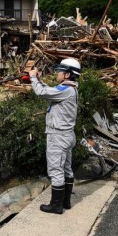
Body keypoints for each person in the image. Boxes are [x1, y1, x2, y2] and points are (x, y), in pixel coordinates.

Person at [29, 58, 81, 214]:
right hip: (67, 135)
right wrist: (39, 80)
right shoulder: (68, 88)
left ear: (67, 74)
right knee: (66, 169)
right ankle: (65, 202)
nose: (57, 73)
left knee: (56, 170)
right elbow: (50, 92)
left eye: (60, 71)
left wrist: (33, 78)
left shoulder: (66, 90)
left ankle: (56, 205)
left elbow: (41, 92)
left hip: (58, 136)